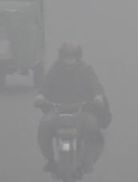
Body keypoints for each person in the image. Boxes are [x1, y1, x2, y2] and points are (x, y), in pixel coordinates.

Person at [34, 42, 111, 176]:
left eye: (72, 56)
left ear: (78, 57)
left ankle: (88, 160)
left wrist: (98, 97)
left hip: (82, 112)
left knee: (93, 127)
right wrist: (40, 96)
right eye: (66, 56)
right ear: (61, 56)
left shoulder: (87, 70)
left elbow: (96, 86)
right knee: (44, 126)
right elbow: (45, 86)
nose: (69, 59)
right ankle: (51, 160)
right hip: (57, 112)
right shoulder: (55, 70)